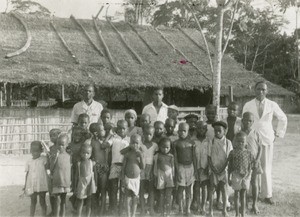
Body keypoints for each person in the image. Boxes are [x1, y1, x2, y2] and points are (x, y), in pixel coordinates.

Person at [242, 81, 287, 204]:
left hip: (267, 138)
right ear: (254, 90)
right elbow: (244, 120)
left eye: (263, 89)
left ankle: (267, 195)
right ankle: (250, 192)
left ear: (267, 91)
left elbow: (283, 118)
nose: (260, 91)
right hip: (251, 139)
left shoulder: (272, 105)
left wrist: (278, 133)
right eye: (258, 89)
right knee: (250, 166)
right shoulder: (248, 105)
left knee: (266, 167)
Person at [102, 120, 130, 214]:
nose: (121, 130)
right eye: (119, 128)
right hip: (115, 165)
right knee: (113, 188)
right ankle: (113, 208)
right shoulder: (114, 138)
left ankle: (121, 209)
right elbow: (103, 145)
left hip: (125, 167)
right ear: (116, 129)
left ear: (127, 129)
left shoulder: (129, 140)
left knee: (123, 189)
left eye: (124, 128)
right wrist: (110, 134)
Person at [208, 121, 232, 217]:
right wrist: (213, 168)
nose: (217, 132)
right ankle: (210, 211)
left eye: (220, 130)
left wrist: (222, 168)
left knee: (224, 190)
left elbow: (229, 158)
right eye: (215, 131)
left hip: (223, 170)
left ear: (225, 131)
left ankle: (224, 210)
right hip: (213, 170)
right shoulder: (211, 141)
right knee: (211, 189)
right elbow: (209, 157)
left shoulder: (228, 142)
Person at [241, 112, 262, 214]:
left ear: (253, 122)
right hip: (243, 163)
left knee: (254, 183)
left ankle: (255, 204)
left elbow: (260, 148)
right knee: (244, 184)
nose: (247, 122)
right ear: (242, 120)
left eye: (250, 121)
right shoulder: (240, 133)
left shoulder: (256, 133)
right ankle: (244, 204)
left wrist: (257, 160)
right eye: (246, 120)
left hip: (254, 162)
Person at [228, 132, 254, 217]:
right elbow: (230, 166)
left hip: (245, 176)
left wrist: (248, 174)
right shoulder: (232, 153)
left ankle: (242, 213)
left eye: (243, 142)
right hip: (236, 175)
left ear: (246, 143)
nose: (240, 143)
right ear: (235, 142)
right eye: (238, 141)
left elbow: (251, 165)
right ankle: (236, 213)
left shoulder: (249, 153)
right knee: (236, 194)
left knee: (243, 194)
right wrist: (229, 177)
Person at [174, 123, 196, 215]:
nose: (182, 132)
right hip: (181, 167)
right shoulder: (175, 143)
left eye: (184, 131)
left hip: (190, 167)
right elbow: (175, 158)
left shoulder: (192, 143)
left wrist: (195, 170)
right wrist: (177, 171)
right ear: (178, 131)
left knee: (189, 189)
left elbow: (194, 157)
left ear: (188, 132)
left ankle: (187, 210)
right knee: (181, 189)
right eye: (180, 130)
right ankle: (180, 210)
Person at [122, 134, 145, 217]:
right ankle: (128, 215)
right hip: (128, 178)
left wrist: (141, 157)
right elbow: (123, 167)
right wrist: (122, 178)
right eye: (133, 143)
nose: (135, 145)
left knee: (135, 197)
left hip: (136, 179)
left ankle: (133, 214)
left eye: (137, 143)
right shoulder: (127, 154)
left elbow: (143, 166)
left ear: (140, 144)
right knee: (127, 197)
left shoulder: (140, 154)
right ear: (130, 143)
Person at [24, 141, 49, 217]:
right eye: (33, 151)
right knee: (33, 201)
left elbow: (49, 153)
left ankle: (43, 215)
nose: (35, 153)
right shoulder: (28, 161)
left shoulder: (43, 159)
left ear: (41, 151)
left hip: (41, 184)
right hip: (32, 184)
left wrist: (44, 145)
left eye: (37, 151)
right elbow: (27, 173)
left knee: (42, 201)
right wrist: (25, 185)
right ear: (30, 151)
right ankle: (31, 215)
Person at [90, 123, 109, 215]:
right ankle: (95, 208)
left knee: (103, 189)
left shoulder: (106, 142)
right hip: (95, 168)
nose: (104, 131)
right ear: (96, 133)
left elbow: (104, 145)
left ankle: (102, 210)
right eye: (102, 130)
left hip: (104, 167)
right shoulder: (92, 142)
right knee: (95, 189)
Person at [49, 134, 71, 217]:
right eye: (59, 144)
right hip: (57, 181)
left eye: (62, 145)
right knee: (57, 201)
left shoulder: (69, 156)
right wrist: (54, 158)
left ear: (67, 145)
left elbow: (69, 170)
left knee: (63, 201)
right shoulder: (55, 156)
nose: (60, 147)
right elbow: (51, 168)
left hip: (65, 182)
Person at [192, 121, 211, 215]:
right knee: (196, 187)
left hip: (205, 168)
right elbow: (193, 156)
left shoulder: (209, 141)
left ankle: (203, 206)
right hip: (196, 168)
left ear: (206, 130)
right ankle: (197, 205)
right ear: (196, 129)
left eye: (203, 128)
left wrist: (207, 167)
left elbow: (209, 156)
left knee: (204, 188)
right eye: (199, 128)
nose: (201, 130)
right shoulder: (193, 141)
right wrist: (195, 169)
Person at [153, 137, 175, 217]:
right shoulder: (157, 156)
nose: (165, 149)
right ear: (159, 147)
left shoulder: (171, 156)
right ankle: (162, 213)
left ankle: (168, 213)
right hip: (160, 175)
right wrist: (155, 176)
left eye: (167, 147)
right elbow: (155, 166)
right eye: (163, 147)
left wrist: (173, 177)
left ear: (170, 147)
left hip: (169, 176)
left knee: (168, 195)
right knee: (161, 195)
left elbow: (173, 167)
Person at [139, 125, 158, 215]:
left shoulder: (155, 146)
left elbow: (156, 159)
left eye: (150, 134)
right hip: (142, 168)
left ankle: (151, 209)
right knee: (141, 190)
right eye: (146, 134)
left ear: (153, 135)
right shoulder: (140, 145)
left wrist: (153, 171)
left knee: (151, 190)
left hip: (151, 168)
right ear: (143, 134)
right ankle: (142, 209)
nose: (148, 136)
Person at [75, 142, 96, 217]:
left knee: (89, 201)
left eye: (88, 153)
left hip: (90, 182)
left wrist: (95, 184)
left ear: (90, 154)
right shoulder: (79, 163)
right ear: (80, 153)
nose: (85, 155)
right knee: (80, 201)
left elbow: (95, 174)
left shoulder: (92, 163)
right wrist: (74, 187)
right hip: (82, 182)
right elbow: (76, 175)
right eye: (83, 153)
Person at [67, 126, 85, 210]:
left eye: (79, 135)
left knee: (79, 185)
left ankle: (78, 202)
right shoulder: (70, 145)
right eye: (75, 135)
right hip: (73, 169)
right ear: (72, 135)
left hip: (80, 169)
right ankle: (74, 200)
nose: (77, 137)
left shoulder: (83, 145)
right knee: (73, 184)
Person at [48, 129, 61, 216]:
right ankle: (53, 211)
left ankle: (57, 213)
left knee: (57, 195)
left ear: (59, 136)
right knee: (51, 193)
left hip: (58, 174)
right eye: (50, 136)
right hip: (51, 173)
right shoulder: (51, 148)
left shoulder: (62, 148)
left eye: (53, 135)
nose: (51, 138)